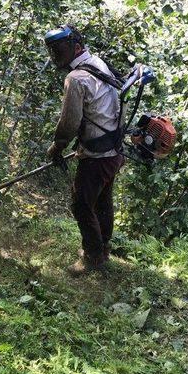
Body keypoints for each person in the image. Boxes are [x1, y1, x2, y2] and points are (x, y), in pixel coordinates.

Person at [44, 25, 125, 276]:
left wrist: (56, 147)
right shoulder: (98, 63)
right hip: (113, 149)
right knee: (102, 200)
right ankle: (102, 248)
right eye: (52, 50)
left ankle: (92, 258)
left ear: (76, 47)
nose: (56, 55)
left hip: (97, 156)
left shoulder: (76, 78)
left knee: (81, 204)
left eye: (60, 49)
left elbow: (69, 123)